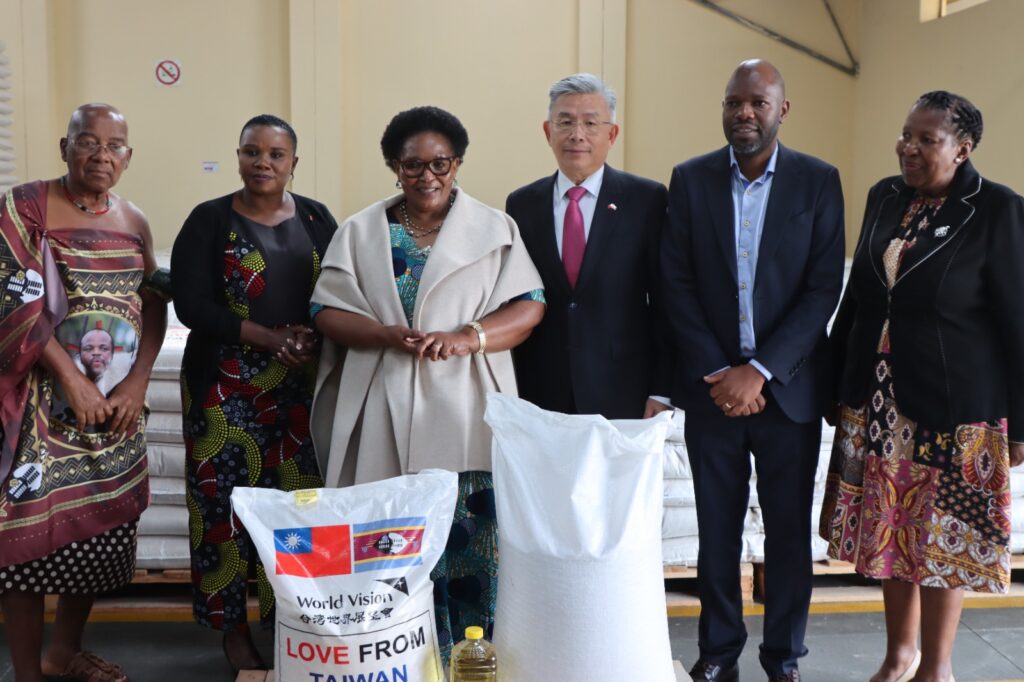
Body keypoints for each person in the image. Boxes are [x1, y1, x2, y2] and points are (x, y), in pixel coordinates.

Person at [310, 106, 544, 662]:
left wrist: (469, 337)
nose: (427, 175)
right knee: (390, 538)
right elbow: (325, 310)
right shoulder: (362, 230)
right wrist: (384, 334)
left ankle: (470, 656)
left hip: (467, 403)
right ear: (394, 167)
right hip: (383, 399)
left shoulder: (495, 228)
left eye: (440, 162)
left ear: (457, 162)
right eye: (412, 165)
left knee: (473, 537)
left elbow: (530, 306)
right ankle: (397, 657)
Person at [821, 91, 1023, 682]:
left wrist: (1022, 422)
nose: (908, 148)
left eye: (925, 141)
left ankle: (936, 667)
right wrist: (840, 382)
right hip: (880, 399)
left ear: (962, 149)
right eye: (905, 136)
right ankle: (898, 656)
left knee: (940, 539)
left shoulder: (999, 211)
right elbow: (858, 297)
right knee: (892, 530)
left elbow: (1018, 322)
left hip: (953, 406)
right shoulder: (885, 195)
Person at [662, 60, 845, 682]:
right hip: (712, 392)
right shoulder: (689, 181)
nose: (745, 112)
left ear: (781, 110)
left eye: (758, 102)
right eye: (734, 101)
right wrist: (721, 371)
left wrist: (760, 372)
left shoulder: (818, 182)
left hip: (786, 394)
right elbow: (676, 284)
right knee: (716, 534)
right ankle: (717, 654)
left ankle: (783, 658)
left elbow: (822, 289)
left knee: (789, 537)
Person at [0, 103, 167, 682]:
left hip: (114, 407)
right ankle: (27, 672)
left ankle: (62, 652)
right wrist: (70, 380)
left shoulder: (136, 220)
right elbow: (13, 299)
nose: (101, 155)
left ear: (128, 156)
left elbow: (153, 305)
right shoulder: (25, 206)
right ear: (63, 145)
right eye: (87, 142)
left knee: (97, 532)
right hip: (39, 408)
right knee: (23, 540)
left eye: (114, 145)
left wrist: (138, 381)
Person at [170, 114, 337, 672]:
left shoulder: (316, 217)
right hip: (223, 390)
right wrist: (271, 337)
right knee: (223, 509)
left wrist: (313, 337)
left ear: (294, 162)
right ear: (238, 156)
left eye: (276, 154)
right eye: (252, 152)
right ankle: (232, 631)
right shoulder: (209, 220)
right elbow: (191, 305)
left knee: (295, 507)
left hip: (298, 391)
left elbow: (338, 289)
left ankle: (289, 620)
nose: (263, 162)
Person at [506, 73, 672, 419]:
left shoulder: (646, 200)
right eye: (565, 122)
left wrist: (663, 389)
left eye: (590, 123)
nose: (576, 134)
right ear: (548, 132)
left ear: (612, 134)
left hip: (624, 389)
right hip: (539, 389)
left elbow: (666, 301)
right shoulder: (522, 204)